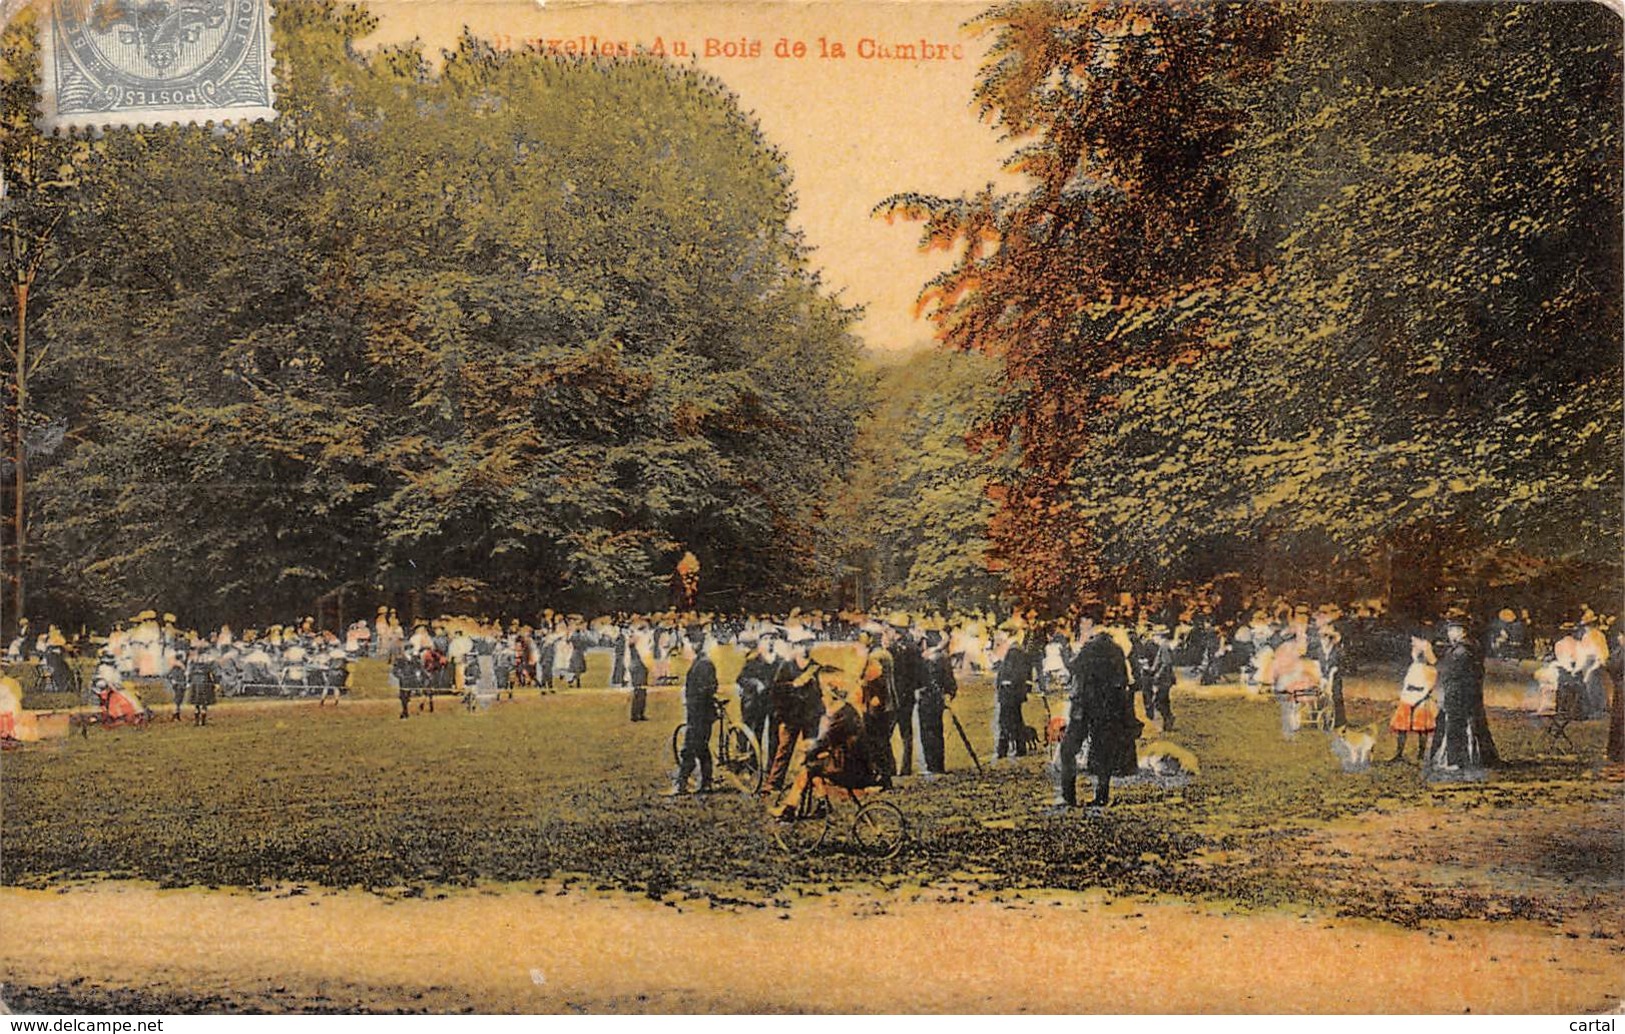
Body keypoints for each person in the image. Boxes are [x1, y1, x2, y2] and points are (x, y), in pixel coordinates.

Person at [1058, 604, 1136, 807]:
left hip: (1084, 707)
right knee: (1103, 752)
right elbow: (1124, 680)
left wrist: (1067, 647)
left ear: (1088, 623)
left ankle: (1069, 796)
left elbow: (1073, 666)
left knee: (1068, 750)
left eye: (1082, 623)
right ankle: (1102, 796)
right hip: (1108, 708)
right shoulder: (1116, 648)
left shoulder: (1090, 646)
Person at [770, 677, 874, 817]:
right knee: (815, 768)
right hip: (851, 763)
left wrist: (808, 751)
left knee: (806, 769)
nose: (823, 699)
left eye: (824, 695)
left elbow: (824, 741)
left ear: (833, 697)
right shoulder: (847, 712)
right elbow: (828, 741)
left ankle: (788, 808)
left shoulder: (840, 717)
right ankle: (821, 804)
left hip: (850, 768)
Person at [1431, 618, 1498, 772]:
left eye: (1451, 630)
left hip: (1458, 693)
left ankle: (1455, 761)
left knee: (1455, 726)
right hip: (1470, 693)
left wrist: (1447, 692)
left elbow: (1454, 674)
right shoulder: (1472, 646)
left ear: (1461, 631)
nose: (1449, 634)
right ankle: (1478, 758)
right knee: (1474, 725)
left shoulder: (1461, 651)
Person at [764, 634, 822, 793]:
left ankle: (813, 785)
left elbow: (821, 693)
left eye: (809, 644)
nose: (805, 648)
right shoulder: (786, 666)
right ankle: (773, 784)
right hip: (791, 715)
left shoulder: (815, 667)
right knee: (784, 750)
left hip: (810, 716)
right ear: (795, 647)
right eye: (802, 644)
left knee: (811, 752)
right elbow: (776, 689)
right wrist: (793, 686)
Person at [669, 637, 717, 795]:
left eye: (686, 645)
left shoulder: (703, 664)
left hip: (699, 714)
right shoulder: (701, 662)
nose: (683, 649)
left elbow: (707, 689)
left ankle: (681, 784)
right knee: (701, 748)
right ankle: (706, 783)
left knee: (689, 749)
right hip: (700, 713)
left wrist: (692, 702)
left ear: (695, 645)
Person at [856, 626, 897, 787]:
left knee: (876, 741)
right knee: (882, 740)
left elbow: (875, 682)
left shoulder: (875, 656)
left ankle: (883, 776)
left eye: (863, 637)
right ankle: (886, 772)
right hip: (886, 703)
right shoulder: (884, 654)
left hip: (878, 704)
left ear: (871, 639)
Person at [1387, 634, 1438, 763]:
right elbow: (1406, 683)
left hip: (1421, 700)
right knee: (1401, 727)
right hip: (1407, 698)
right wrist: (1404, 698)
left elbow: (1428, 688)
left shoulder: (1430, 670)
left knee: (1422, 728)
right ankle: (1399, 754)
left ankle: (1420, 756)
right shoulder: (1413, 667)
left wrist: (1417, 700)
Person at [916, 630, 958, 775]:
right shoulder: (944, 657)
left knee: (927, 733)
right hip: (938, 699)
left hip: (927, 698)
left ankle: (931, 765)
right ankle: (938, 765)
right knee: (937, 732)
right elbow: (950, 681)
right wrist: (948, 695)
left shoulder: (927, 658)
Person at [992, 625, 1031, 759]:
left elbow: (1015, 672)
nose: (999, 636)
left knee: (1006, 721)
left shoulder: (1014, 651)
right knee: (1015, 720)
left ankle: (1003, 750)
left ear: (1008, 634)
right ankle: (1019, 748)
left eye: (1001, 633)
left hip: (1010, 692)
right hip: (1013, 692)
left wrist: (1007, 683)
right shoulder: (1014, 649)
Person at [185, 650, 217, 726]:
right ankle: (202, 721)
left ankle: (197, 721)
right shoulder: (209, 658)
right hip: (205, 679)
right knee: (204, 702)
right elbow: (213, 671)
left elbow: (189, 672)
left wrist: (189, 681)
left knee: (197, 702)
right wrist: (215, 681)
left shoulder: (192, 659)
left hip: (195, 680)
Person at [627, 626, 652, 721]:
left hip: (640, 666)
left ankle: (640, 713)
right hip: (638, 667)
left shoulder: (641, 645)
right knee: (639, 691)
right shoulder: (637, 647)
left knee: (642, 691)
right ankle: (635, 714)